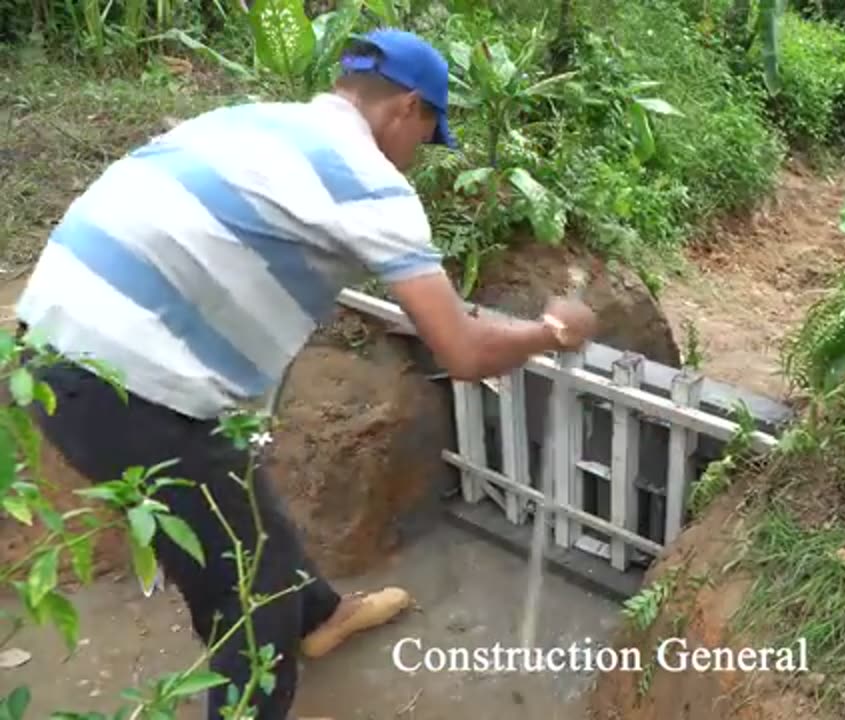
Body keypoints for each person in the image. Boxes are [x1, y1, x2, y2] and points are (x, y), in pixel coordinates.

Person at [14, 27, 597, 719]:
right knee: (247, 592)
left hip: (46, 348)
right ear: (408, 108)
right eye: (426, 135)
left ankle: (318, 618)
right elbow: (463, 354)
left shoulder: (248, 122)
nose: (415, 159)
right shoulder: (367, 183)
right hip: (126, 389)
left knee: (239, 493)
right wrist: (551, 331)